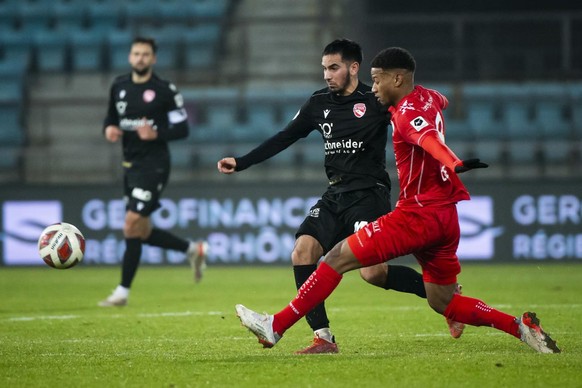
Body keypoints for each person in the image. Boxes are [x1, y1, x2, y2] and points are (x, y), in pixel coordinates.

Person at [234, 47, 561, 354]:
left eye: (377, 79)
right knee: (442, 302)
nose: (373, 87)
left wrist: (454, 163)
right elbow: (442, 101)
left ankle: (275, 325)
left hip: (417, 216)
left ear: (397, 79)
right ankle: (521, 328)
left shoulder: (403, 114)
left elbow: (428, 139)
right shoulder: (428, 97)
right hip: (447, 219)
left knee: (335, 258)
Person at [218, 39, 464, 354]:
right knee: (302, 251)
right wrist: (242, 162)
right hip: (335, 193)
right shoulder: (318, 102)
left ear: (353, 67)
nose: (327, 75)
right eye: (324, 68)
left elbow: (413, 117)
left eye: (333, 68)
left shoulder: (375, 99)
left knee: (372, 273)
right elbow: (285, 136)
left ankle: (449, 300)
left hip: (369, 194)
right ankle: (323, 337)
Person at [99, 37, 208, 307]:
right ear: (130, 57)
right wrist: (109, 129)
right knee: (142, 231)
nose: (140, 58)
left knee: (130, 223)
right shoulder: (119, 86)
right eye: (136, 53)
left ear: (153, 59)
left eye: (145, 54)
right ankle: (192, 249)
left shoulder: (164, 90)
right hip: (130, 165)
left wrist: (155, 132)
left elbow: (183, 128)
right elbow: (111, 118)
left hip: (154, 165)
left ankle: (122, 292)